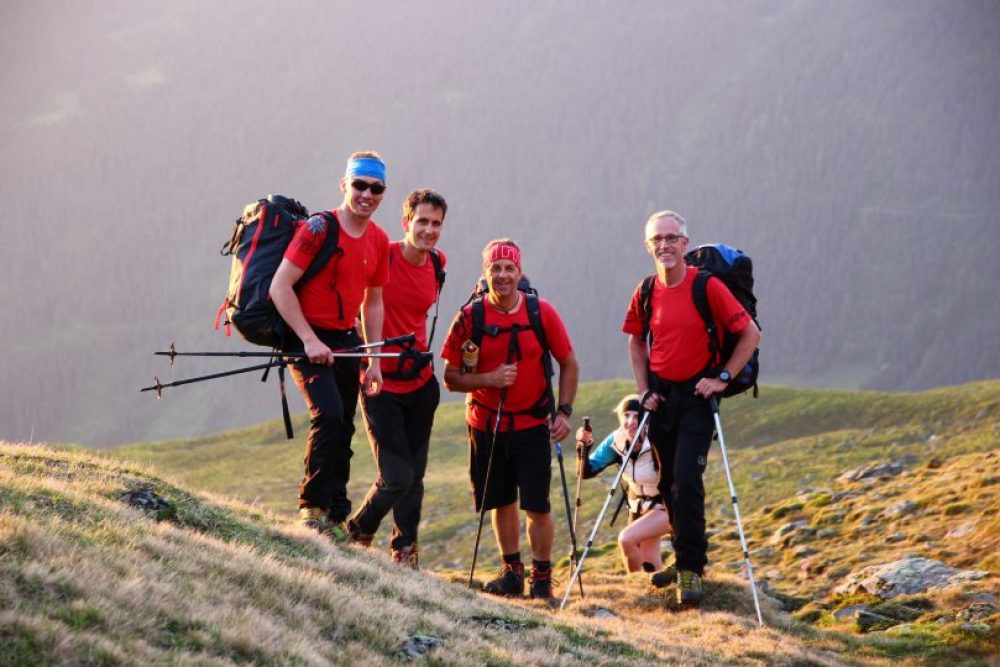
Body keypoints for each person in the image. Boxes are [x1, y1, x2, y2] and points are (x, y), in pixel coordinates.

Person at [622, 210, 761, 606]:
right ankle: (684, 559)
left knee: (686, 479)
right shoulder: (646, 290)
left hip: (698, 398)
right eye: (657, 240)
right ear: (648, 246)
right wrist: (644, 389)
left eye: (671, 238)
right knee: (668, 486)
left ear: (685, 243)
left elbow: (750, 333)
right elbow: (636, 341)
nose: (664, 245)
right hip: (662, 397)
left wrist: (722, 378)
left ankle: (691, 569)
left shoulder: (708, 286)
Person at [441, 239, 579, 600]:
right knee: (501, 501)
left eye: (509, 268)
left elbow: (569, 363)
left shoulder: (541, 312)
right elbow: (451, 377)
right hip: (486, 425)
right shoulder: (470, 317)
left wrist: (564, 412)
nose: (502, 275)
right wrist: (489, 380)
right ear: (485, 274)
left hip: (533, 425)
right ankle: (511, 572)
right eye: (495, 269)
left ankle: (542, 578)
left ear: (519, 272)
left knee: (537, 506)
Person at [269, 151, 391, 538]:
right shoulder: (319, 229)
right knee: (329, 415)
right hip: (304, 334)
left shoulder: (379, 239)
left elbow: (373, 303)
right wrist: (307, 339)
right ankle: (311, 508)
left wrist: (373, 359)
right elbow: (279, 286)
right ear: (345, 185)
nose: (366, 194)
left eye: (376, 188)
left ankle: (336, 514)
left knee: (345, 428)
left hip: (345, 340)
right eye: (359, 185)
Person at [345, 189, 448, 568]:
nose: (429, 230)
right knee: (397, 475)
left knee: (415, 476)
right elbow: (353, 302)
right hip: (380, 383)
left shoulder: (437, 263)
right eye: (422, 221)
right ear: (406, 222)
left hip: (421, 384)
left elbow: (417, 315)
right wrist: (363, 345)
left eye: (436, 224)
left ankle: (405, 551)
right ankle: (356, 531)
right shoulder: (380, 256)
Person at [575, 394, 671, 574]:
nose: (630, 422)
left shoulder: (657, 440)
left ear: (647, 418)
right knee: (650, 568)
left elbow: (675, 477)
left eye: (637, 416)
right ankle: (651, 597)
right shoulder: (616, 441)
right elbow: (586, 471)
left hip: (665, 506)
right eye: (626, 416)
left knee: (626, 539)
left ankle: (638, 590)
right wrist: (583, 447)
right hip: (637, 507)